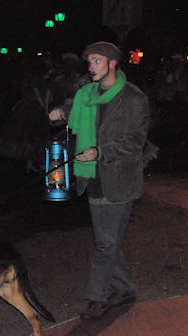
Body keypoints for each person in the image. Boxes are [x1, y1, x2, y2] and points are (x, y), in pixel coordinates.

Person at [49, 42, 150, 320]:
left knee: (106, 244)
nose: (90, 67)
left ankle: (96, 296)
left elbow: (135, 142)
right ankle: (125, 288)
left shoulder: (134, 99)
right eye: (89, 62)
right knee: (109, 241)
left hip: (119, 180)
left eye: (96, 61)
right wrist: (60, 112)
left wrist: (101, 151)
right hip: (91, 177)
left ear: (112, 63)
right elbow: (72, 110)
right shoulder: (86, 94)